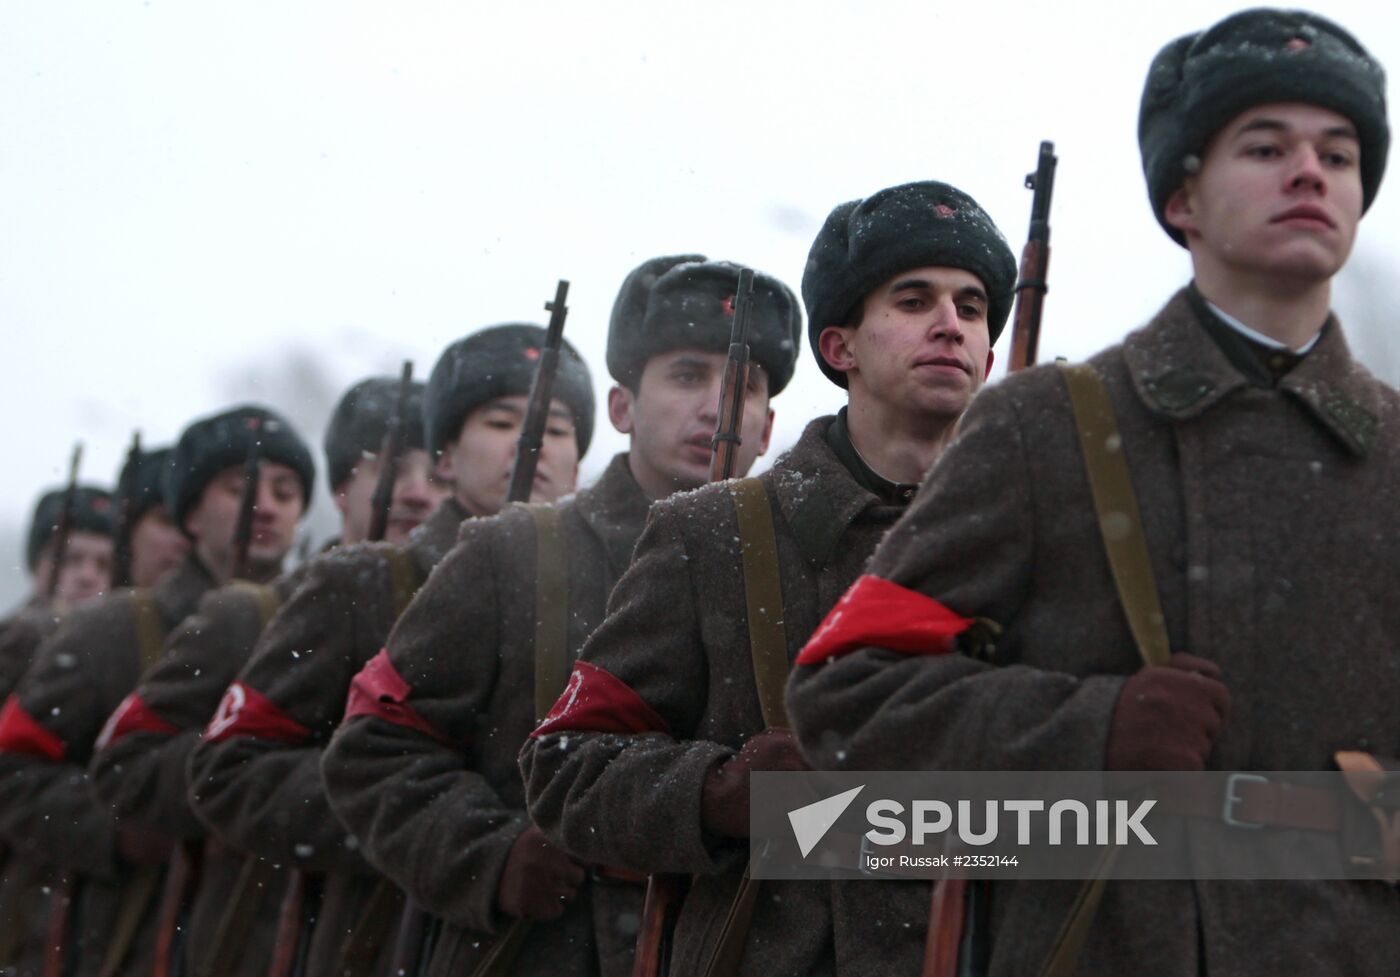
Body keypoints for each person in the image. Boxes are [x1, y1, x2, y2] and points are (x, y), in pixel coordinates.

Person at [787, 10, 1400, 977]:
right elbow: (845, 689)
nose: (1309, 171)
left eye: (1339, 151)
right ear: (1184, 196)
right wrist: (1091, 727)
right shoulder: (1049, 428)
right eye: (1266, 145)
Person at [520, 181, 1016, 975]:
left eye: (972, 305)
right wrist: (712, 792)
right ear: (839, 347)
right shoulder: (712, 536)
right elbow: (565, 766)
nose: (949, 325)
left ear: (991, 357)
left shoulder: (1032, 538)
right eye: (914, 299)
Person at [321, 256, 801, 976]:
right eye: (685, 374)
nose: (716, 406)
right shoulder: (511, 553)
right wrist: (490, 853)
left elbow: (843, 818)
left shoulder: (803, 571)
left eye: (746, 386)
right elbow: (372, 748)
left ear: (767, 428)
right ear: (621, 407)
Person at [187, 325, 594, 977]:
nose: (532, 442)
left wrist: (759, 822)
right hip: (382, 940)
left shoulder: (616, 584)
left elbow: (739, 823)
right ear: (445, 454)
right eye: (501, 419)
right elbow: (230, 768)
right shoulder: (363, 583)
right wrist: (442, 832)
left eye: (560, 427)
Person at [88, 376, 443, 977]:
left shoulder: (448, 612)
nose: (414, 494)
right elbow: (131, 761)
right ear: (340, 489)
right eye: (387, 470)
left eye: (435, 473)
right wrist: (327, 782)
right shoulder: (253, 615)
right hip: (247, 925)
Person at [0, 405, 314, 977]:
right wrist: (113, 832)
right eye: (237, 487)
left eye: (286, 490)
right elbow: (11, 770)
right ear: (190, 513)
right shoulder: (109, 632)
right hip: (122, 940)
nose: (265, 504)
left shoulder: (318, 630)